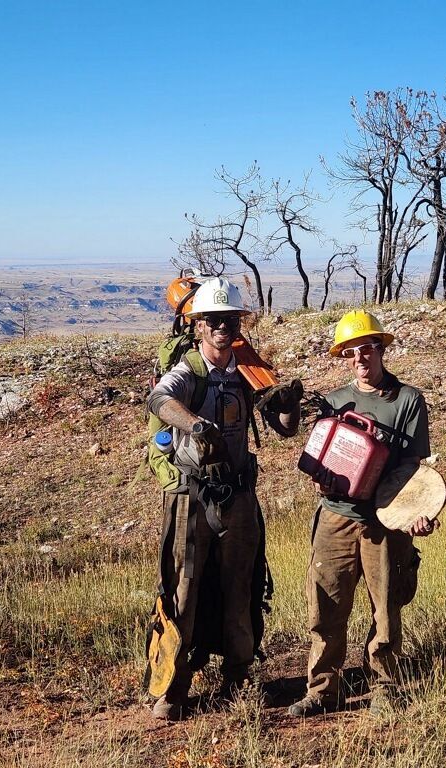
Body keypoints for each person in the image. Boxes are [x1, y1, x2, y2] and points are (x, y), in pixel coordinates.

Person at [145, 277, 300, 721]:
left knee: (241, 586)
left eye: (230, 319)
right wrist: (194, 425)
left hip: (238, 496)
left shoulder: (251, 371)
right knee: (184, 589)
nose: (222, 328)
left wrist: (289, 403)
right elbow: (160, 399)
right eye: (213, 320)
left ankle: (239, 675)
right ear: (197, 326)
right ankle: (173, 686)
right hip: (192, 496)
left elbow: (284, 428)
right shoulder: (188, 370)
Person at [288, 309, 438, 718]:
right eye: (351, 352)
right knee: (325, 604)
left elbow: (414, 469)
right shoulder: (335, 402)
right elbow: (320, 458)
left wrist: (418, 514)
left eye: (367, 349)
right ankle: (322, 689)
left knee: (385, 607)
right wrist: (320, 480)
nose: (360, 359)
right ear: (344, 358)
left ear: (381, 350)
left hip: (385, 520)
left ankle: (386, 685)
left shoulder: (407, 400)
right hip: (335, 517)